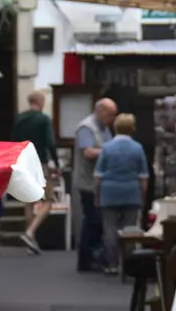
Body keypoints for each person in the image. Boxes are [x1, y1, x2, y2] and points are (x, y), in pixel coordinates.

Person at [94, 113, 149, 276]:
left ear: (115, 127)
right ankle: (128, 263)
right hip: (131, 191)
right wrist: (142, 195)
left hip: (109, 191)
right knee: (130, 230)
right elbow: (143, 176)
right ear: (132, 129)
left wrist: (97, 195)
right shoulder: (138, 148)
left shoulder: (106, 147)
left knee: (109, 229)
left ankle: (112, 264)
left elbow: (98, 175)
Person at [11, 89, 60, 254]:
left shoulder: (19, 119)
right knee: (48, 200)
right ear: (41, 102)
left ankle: (31, 243)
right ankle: (30, 232)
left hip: (23, 162)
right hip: (39, 164)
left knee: (29, 202)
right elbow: (50, 143)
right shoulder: (44, 119)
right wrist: (57, 163)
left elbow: (13, 142)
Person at [72, 97, 118, 272]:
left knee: (98, 221)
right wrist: (112, 150)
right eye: (110, 115)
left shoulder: (105, 127)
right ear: (100, 111)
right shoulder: (86, 127)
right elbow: (88, 153)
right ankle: (85, 260)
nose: (112, 119)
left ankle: (94, 257)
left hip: (101, 183)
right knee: (93, 221)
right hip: (88, 184)